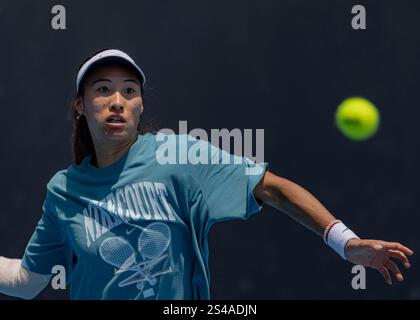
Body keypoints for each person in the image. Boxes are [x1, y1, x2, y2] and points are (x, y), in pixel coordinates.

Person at [0, 49, 414, 300]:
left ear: (141, 105)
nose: (117, 101)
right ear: (80, 105)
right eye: (103, 89)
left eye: (129, 91)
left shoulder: (180, 153)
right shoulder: (64, 190)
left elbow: (273, 189)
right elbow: (26, 280)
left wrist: (347, 244)